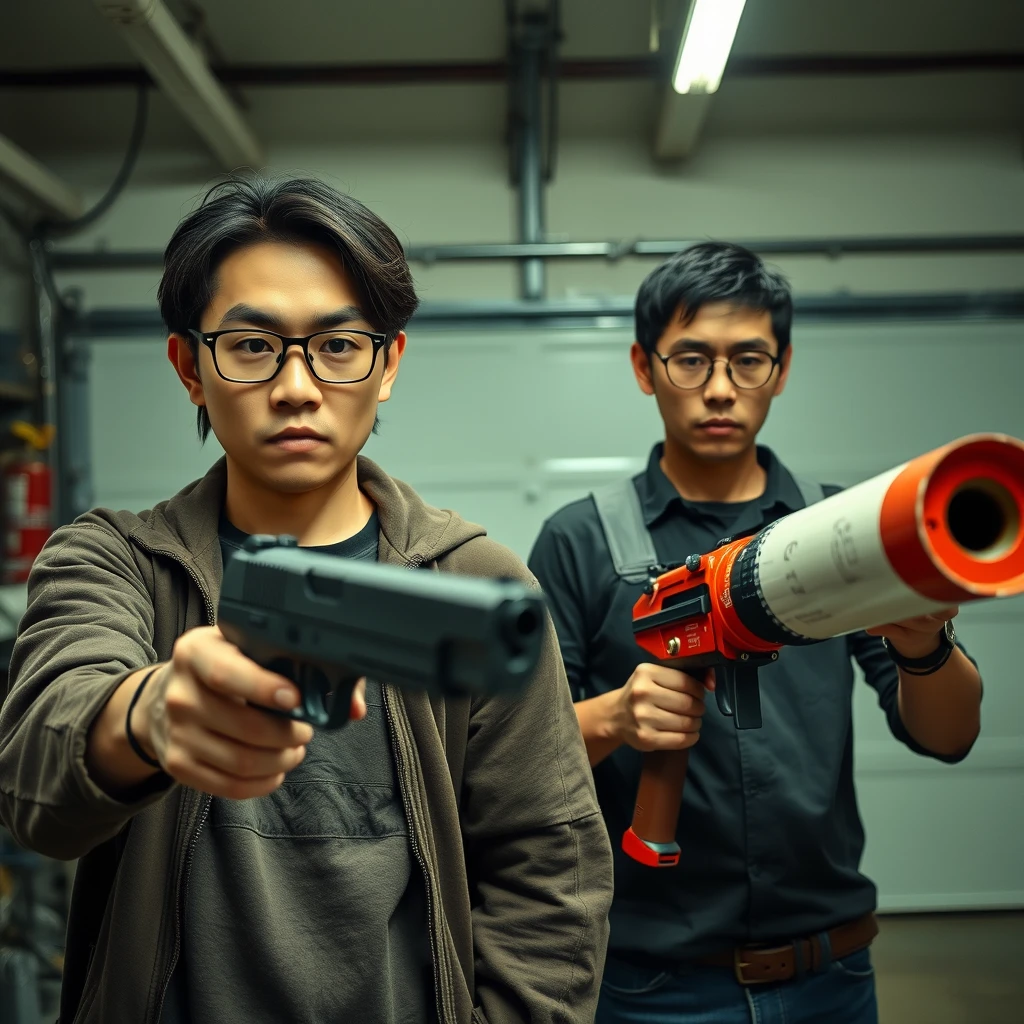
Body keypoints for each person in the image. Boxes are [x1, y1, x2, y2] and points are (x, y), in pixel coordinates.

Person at [0, 175, 613, 1024]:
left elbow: (551, 865)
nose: (296, 386)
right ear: (189, 367)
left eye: (337, 345)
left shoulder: (479, 585)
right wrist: (148, 717)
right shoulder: (113, 561)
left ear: (388, 363)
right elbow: (38, 775)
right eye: (252, 346)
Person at [527, 241, 983, 1024]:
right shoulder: (579, 540)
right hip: (650, 986)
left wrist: (923, 644)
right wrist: (617, 717)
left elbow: (949, 736)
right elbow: (516, 753)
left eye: (748, 362)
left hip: (832, 974)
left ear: (782, 367)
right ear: (644, 367)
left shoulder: (841, 528)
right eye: (690, 361)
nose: (719, 391)